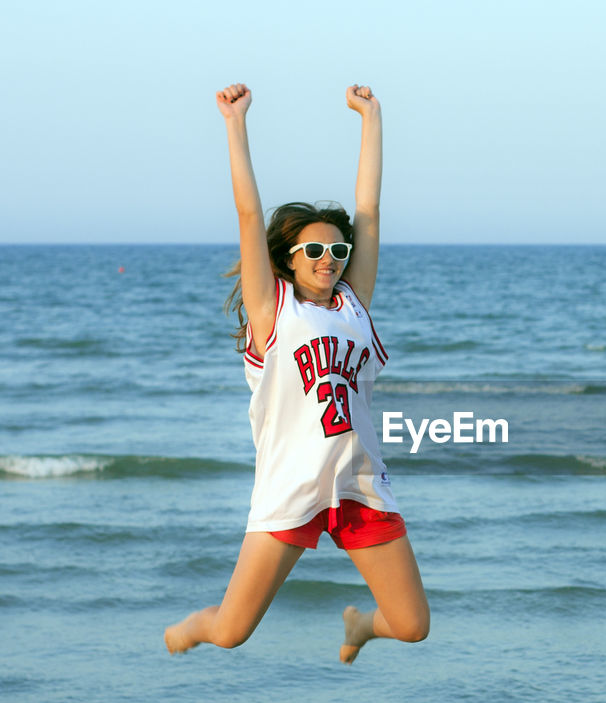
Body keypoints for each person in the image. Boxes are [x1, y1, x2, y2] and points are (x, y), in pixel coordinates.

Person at [164, 83, 429, 664]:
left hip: (359, 483)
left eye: (337, 253)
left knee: (412, 625)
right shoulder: (273, 310)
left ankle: (361, 626)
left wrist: (372, 118)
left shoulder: (354, 303)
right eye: (314, 252)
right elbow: (249, 213)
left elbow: (369, 212)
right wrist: (235, 124)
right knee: (233, 631)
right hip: (290, 488)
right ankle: (195, 626)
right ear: (287, 259)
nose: (329, 262)